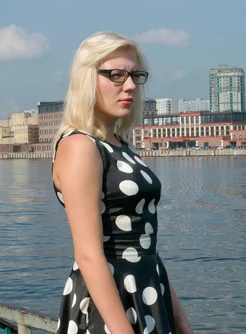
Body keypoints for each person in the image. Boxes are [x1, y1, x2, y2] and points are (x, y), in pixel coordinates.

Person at [52, 31, 194, 334]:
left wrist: (180, 321)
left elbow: (147, 247)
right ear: (87, 79)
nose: (129, 85)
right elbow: (89, 254)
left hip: (149, 293)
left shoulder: (119, 144)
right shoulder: (80, 147)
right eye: (116, 75)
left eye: (135, 75)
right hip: (110, 307)